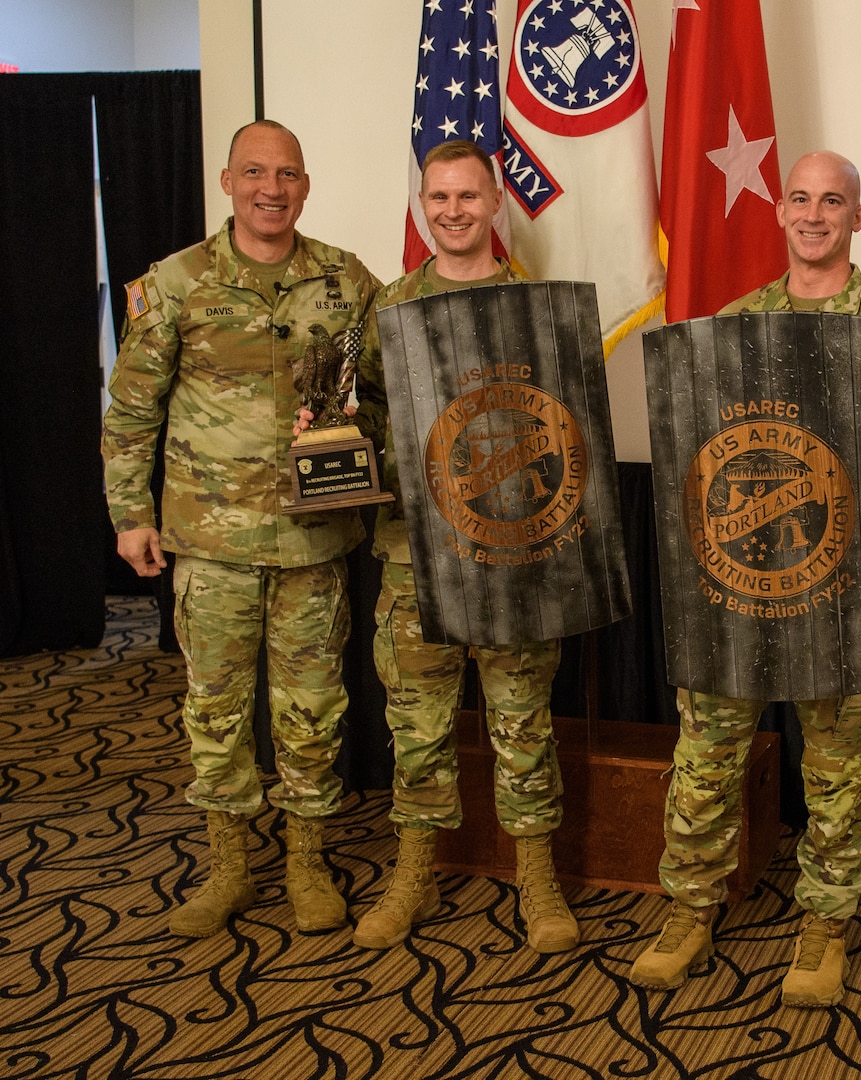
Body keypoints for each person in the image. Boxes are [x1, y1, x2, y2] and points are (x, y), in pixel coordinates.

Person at [629, 151, 861, 1007]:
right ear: (780, 211)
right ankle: (690, 909)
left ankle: (826, 922)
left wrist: (858, 473)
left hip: (843, 595)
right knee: (705, 756)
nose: (815, 214)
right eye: (802, 199)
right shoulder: (732, 328)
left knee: (838, 771)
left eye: (834, 201)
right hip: (732, 590)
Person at [102, 120, 381, 937]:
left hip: (311, 541)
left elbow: (385, 387)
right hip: (211, 539)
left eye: (287, 174)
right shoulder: (178, 282)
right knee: (215, 709)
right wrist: (130, 515)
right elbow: (131, 409)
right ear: (227, 182)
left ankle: (305, 861)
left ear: (305, 183)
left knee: (312, 708)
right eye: (255, 173)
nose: (272, 189)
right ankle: (229, 865)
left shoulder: (345, 280)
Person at [347, 141, 575, 955]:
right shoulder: (388, 310)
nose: (452, 211)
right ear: (423, 205)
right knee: (417, 724)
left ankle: (537, 876)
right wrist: (328, 441)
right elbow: (362, 419)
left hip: (513, 558)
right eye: (438, 197)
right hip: (415, 561)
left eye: (468, 197)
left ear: (494, 205)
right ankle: (412, 869)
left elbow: (565, 428)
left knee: (522, 723)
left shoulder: (537, 311)